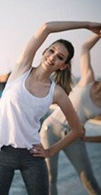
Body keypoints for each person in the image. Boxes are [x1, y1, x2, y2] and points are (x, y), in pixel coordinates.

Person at [0, 21, 101, 195]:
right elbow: (46, 27)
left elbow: (77, 130)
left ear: (62, 66)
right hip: (1, 152)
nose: (52, 57)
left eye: (60, 57)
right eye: (52, 51)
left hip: (32, 155)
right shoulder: (21, 68)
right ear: (44, 51)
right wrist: (86, 25)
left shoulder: (57, 93)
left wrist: (50, 151)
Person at [40, 34, 101, 195]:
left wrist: (86, 138)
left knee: (89, 180)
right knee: (50, 178)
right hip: (50, 129)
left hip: (74, 136)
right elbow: (85, 48)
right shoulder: (88, 79)